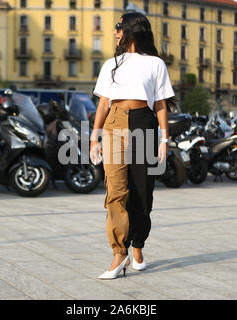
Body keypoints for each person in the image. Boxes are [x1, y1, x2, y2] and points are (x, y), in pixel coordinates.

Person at [90, 12, 175, 280]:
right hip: (114, 123)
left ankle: (138, 244)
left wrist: (164, 139)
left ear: (131, 31)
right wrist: (94, 137)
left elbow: (160, 103)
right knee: (115, 191)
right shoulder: (110, 64)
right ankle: (119, 252)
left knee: (142, 193)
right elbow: (104, 103)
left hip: (144, 123)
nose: (115, 31)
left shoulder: (155, 64)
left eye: (119, 27)